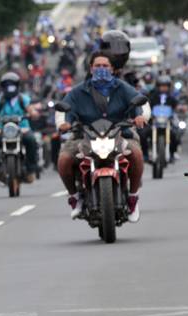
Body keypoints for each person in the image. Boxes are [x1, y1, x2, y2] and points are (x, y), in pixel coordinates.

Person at [58, 51, 147, 221]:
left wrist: (140, 116)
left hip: (120, 135)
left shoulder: (122, 88)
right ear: (91, 69)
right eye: (97, 66)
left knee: (136, 154)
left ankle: (133, 197)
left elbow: (139, 102)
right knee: (63, 160)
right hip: (83, 136)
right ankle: (75, 198)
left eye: (105, 66)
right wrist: (64, 123)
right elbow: (65, 109)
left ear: (113, 69)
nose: (101, 69)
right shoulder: (78, 91)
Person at [0, 72, 39, 182]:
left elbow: (31, 110)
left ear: (17, 86)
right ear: (3, 87)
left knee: (31, 140)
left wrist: (33, 113)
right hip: (2, 130)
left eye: (12, 85)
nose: (10, 88)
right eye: (7, 85)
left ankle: (30, 170)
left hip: (22, 128)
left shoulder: (23, 99)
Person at [141, 74, 183, 161]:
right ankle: (145, 154)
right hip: (154, 121)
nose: (164, 88)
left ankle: (172, 153)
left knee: (175, 134)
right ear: (158, 86)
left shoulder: (172, 97)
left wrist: (181, 108)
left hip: (168, 122)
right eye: (162, 86)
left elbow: (177, 106)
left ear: (169, 87)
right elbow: (146, 105)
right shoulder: (152, 96)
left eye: (165, 86)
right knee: (142, 134)